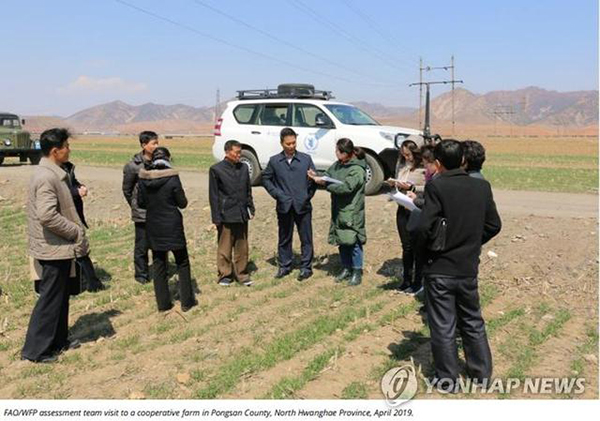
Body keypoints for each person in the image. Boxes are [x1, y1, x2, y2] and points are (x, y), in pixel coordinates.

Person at [418, 139, 502, 390]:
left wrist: (430, 250)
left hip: (441, 267)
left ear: (439, 163)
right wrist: (472, 242)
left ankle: (448, 380)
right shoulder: (481, 186)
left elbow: (424, 226)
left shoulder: (437, 186)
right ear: (463, 160)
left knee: (443, 325)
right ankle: (482, 375)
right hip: (467, 267)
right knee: (472, 320)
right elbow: (494, 225)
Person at [22, 128, 88, 363]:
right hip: (52, 247)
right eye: (66, 146)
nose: (69, 149)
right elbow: (47, 215)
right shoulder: (46, 177)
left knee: (60, 296)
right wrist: (74, 231)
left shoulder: (53, 172)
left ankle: (58, 341)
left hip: (58, 246)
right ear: (55, 151)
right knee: (50, 299)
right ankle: (35, 351)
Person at [138, 147, 197, 312]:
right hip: (172, 225)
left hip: (154, 225)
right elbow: (182, 203)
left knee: (158, 264)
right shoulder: (172, 177)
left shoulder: (144, 178)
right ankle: (187, 302)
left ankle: (163, 305)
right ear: (168, 158)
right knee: (182, 262)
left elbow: (141, 203)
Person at [261, 128, 317, 282]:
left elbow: (314, 180)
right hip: (284, 206)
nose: (291, 146)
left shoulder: (305, 159)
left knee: (306, 237)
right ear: (281, 143)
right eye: (288, 144)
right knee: (284, 237)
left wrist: (307, 196)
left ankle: (306, 267)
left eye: (294, 143)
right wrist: (278, 194)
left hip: (303, 206)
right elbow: (265, 179)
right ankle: (285, 265)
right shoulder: (274, 161)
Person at [309, 138, 366, 286]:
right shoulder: (338, 165)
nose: (335, 153)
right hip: (338, 209)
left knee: (353, 241)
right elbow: (329, 174)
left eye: (338, 151)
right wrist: (317, 177)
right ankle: (346, 268)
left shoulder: (357, 170)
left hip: (351, 211)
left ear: (346, 153)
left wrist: (327, 185)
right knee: (342, 240)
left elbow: (347, 187)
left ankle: (357, 271)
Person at [209, 140, 255, 287]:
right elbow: (214, 195)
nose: (238, 155)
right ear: (227, 152)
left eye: (240, 152)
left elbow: (248, 190)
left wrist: (250, 207)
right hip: (226, 214)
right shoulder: (216, 170)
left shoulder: (243, 168)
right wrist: (216, 217)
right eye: (236, 152)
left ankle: (242, 274)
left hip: (241, 213)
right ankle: (225, 275)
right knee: (225, 247)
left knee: (242, 247)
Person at [386, 139, 426, 295]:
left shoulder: (423, 167)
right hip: (402, 208)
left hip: (416, 209)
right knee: (406, 246)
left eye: (408, 154)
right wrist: (394, 185)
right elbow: (399, 180)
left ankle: (418, 281)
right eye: (403, 155)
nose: (406, 157)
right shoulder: (401, 165)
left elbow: (430, 186)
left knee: (418, 247)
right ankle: (406, 279)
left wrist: (413, 187)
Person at [61, 161, 105, 292]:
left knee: (79, 248)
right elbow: (58, 192)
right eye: (65, 146)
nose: (68, 149)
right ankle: (92, 283)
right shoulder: (51, 171)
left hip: (73, 212)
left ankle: (88, 282)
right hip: (64, 214)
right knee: (78, 248)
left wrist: (80, 186)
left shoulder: (66, 166)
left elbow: (71, 182)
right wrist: (75, 192)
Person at [122, 131, 159, 284]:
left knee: (158, 244)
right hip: (142, 213)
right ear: (144, 145)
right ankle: (141, 274)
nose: (157, 146)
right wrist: (135, 205)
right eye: (154, 143)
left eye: (157, 143)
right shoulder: (133, 166)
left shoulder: (160, 162)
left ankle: (159, 271)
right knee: (141, 246)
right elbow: (127, 190)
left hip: (158, 212)